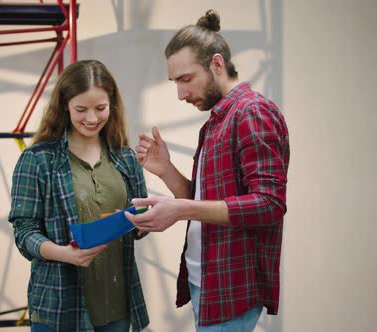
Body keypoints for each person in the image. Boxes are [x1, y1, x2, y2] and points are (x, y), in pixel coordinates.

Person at [124, 10, 290, 332]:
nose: (180, 93)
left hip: (233, 286)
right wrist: (166, 170)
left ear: (217, 64)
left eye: (186, 79)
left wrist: (180, 210)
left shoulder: (252, 112)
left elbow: (270, 204)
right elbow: (203, 201)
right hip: (208, 281)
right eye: (175, 82)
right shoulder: (217, 120)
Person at [8, 60, 149, 332]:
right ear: (64, 106)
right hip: (61, 306)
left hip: (117, 303)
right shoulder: (38, 160)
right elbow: (24, 233)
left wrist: (149, 217)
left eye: (101, 108)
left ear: (112, 105)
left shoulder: (126, 158)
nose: (92, 118)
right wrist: (63, 253)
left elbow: (138, 226)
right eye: (81, 109)